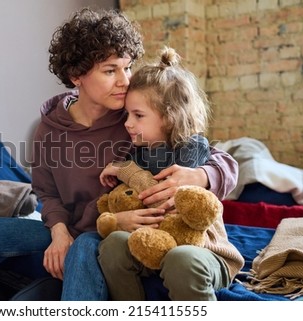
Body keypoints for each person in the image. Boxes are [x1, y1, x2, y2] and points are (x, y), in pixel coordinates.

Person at [0, 7, 238, 301]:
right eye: (110, 70)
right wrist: (58, 230)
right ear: (77, 76)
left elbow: (213, 154)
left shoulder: (135, 117)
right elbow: (46, 192)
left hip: (103, 231)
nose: (125, 80)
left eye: (128, 67)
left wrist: (201, 175)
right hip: (69, 226)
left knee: (86, 249)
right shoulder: (50, 129)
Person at [97, 47, 244, 301]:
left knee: (182, 258)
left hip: (203, 250)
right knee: (112, 245)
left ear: (169, 117)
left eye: (138, 115)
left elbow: (226, 168)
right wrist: (119, 218)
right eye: (127, 114)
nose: (127, 123)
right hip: (151, 245)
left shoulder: (192, 149)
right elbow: (126, 199)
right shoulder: (138, 151)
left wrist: (201, 176)